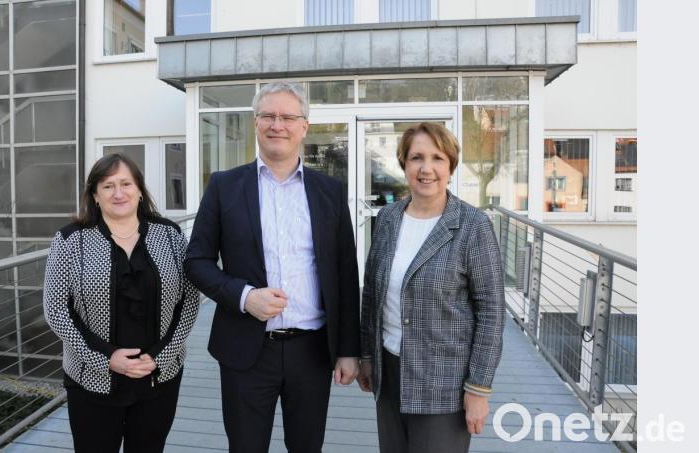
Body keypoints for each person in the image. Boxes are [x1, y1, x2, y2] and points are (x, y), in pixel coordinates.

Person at [184, 82, 360, 453]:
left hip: (312, 351)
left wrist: (348, 349)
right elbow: (196, 262)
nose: (277, 125)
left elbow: (345, 273)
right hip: (246, 350)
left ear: (304, 126)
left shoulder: (329, 191)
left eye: (287, 117)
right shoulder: (224, 186)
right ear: (256, 123)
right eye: (268, 116)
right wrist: (244, 296)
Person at [356, 122, 505, 453]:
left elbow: (492, 312)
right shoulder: (388, 218)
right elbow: (372, 294)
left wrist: (479, 388)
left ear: (450, 166)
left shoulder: (473, 226)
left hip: (443, 382)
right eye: (416, 158)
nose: (426, 169)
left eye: (437, 158)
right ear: (404, 164)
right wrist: (367, 355)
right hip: (389, 372)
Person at [43, 154, 200, 452]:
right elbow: (56, 310)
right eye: (108, 186)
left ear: (139, 190)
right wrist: (105, 359)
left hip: (158, 377)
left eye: (126, 184)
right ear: (94, 195)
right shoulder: (70, 240)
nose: (119, 193)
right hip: (92, 380)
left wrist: (160, 357)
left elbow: (189, 300)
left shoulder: (170, 235)